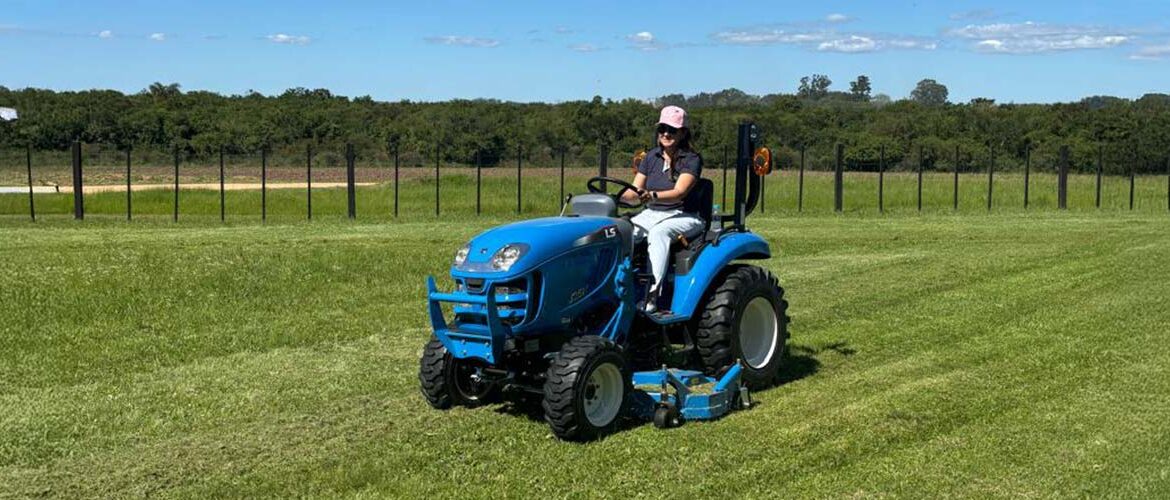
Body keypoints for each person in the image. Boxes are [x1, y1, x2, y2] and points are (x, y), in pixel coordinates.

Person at [620, 105, 705, 313]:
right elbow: (635, 191)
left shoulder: (691, 159)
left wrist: (652, 195)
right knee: (621, 231)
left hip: (684, 215)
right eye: (662, 129)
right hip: (653, 212)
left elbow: (679, 192)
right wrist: (616, 197)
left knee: (659, 233)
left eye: (672, 130)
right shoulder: (651, 157)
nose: (666, 134)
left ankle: (651, 297)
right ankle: (620, 289)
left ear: (683, 133)